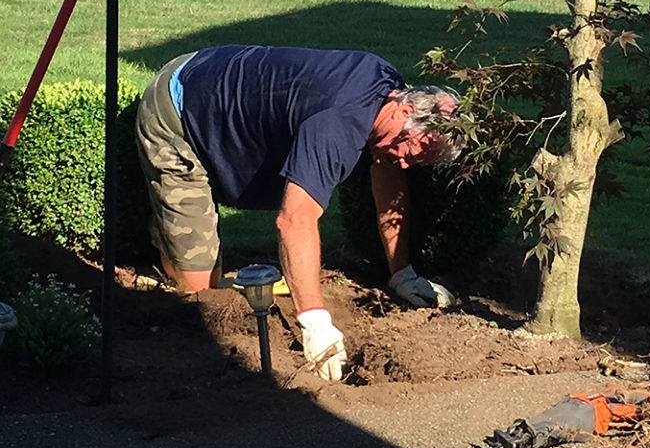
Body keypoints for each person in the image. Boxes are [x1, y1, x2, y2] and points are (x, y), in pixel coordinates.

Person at [135, 44, 462, 381]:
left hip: (221, 86)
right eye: (410, 151)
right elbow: (294, 220)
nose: (406, 162)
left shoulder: (389, 93)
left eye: (418, 161)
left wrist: (402, 272)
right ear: (404, 108)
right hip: (180, 107)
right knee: (200, 292)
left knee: (210, 280)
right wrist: (314, 320)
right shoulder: (338, 123)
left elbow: (389, 174)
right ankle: (161, 238)